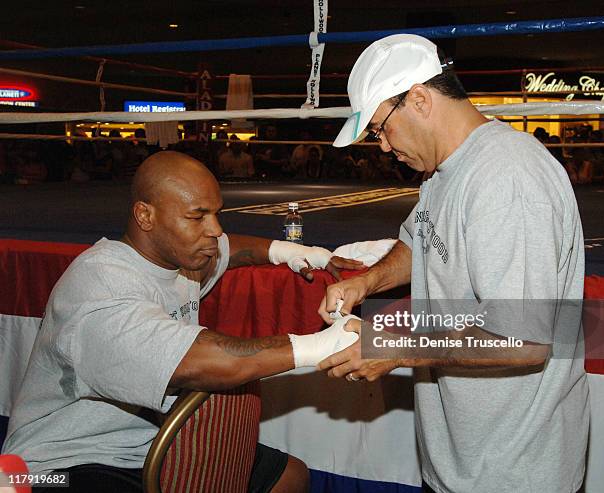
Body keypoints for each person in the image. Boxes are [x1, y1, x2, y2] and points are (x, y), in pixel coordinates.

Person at [318, 34, 588, 493]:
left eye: (381, 128)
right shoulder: (446, 172)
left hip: (514, 472)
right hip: (464, 459)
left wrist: (391, 348)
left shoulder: (506, 177)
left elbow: (523, 338)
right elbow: (418, 240)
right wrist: (366, 282)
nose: (382, 146)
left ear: (419, 99)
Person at [2, 151, 363, 493]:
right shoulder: (101, 289)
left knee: (289, 477)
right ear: (145, 216)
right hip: (60, 463)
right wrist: (326, 344)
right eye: (197, 216)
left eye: (216, 214)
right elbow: (209, 361)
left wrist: (295, 253)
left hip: (149, 443)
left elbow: (227, 248)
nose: (215, 229)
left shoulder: (179, 258)